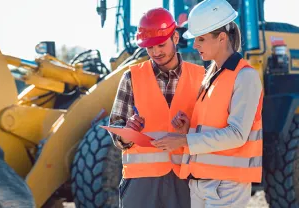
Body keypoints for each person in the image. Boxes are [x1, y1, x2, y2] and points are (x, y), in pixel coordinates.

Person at [151, 0, 263, 207]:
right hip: (201, 180)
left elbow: (237, 135)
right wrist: (188, 129)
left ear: (221, 38)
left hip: (226, 185)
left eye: (201, 39)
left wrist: (184, 141)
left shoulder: (245, 76)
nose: (195, 45)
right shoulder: (212, 76)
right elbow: (211, 127)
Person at [108, 7, 205, 208]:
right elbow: (116, 130)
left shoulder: (201, 78)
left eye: (161, 44)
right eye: (150, 47)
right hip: (141, 184)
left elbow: (211, 129)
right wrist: (128, 132)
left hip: (186, 178)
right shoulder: (131, 78)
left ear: (175, 38)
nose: (156, 52)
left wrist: (189, 130)